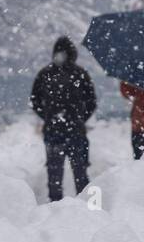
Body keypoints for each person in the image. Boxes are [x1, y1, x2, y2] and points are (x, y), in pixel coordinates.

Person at [30, 36, 97, 201]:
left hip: (58, 131)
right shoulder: (79, 74)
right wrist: (79, 117)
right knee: (76, 172)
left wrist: (49, 115)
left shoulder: (47, 74)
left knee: (57, 173)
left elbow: (35, 100)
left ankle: (59, 205)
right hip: (71, 131)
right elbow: (91, 102)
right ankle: (82, 205)